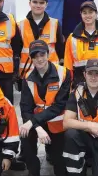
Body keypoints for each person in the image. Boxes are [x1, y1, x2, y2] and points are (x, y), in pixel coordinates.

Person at [19, 40, 71, 176]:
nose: (39, 59)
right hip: (38, 123)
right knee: (24, 133)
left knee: (59, 163)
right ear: (31, 59)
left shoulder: (64, 73)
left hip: (58, 123)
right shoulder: (27, 77)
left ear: (48, 55)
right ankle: (33, 170)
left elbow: (59, 105)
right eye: (35, 56)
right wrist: (36, 126)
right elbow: (25, 108)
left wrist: (33, 122)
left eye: (42, 54)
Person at [18, 0, 64, 79]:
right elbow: (17, 52)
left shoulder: (55, 23)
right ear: (29, 3)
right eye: (35, 2)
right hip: (28, 74)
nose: (38, 5)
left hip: (50, 73)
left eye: (41, 3)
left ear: (46, 5)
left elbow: (60, 50)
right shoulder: (20, 25)